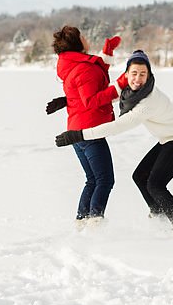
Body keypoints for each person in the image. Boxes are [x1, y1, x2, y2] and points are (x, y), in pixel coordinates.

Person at [55, 50, 173, 239]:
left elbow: (117, 127)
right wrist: (69, 101)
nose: (138, 79)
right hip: (168, 138)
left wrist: (79, 135)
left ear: (149, 76)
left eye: (143, 74)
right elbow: (102, 97)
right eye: (134, 73)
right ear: (126, 74)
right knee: (139, 176)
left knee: (156, 185)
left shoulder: (148, 101)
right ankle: (158, 214)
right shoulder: (131, 91)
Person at [46, 28, 125, 221]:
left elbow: (96, 75)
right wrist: (120, 86)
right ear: (77, 42)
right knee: (105, 180)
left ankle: (82, 222)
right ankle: (95, 225)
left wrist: (107, 52)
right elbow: (90, 99)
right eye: (83, 36)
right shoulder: (84, 68)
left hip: (77, 129)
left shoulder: (75, 64)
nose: (86, 38)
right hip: (89, 131)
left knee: (93, 180)